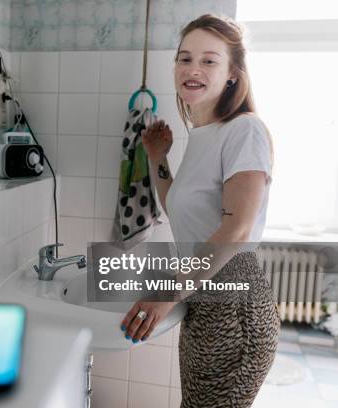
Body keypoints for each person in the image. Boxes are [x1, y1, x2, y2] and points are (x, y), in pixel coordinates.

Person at [120, 14, 280, 408]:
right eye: (184, 58)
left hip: (232, 301)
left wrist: (168, 293)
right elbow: (183, 214)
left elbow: (237, 229)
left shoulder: (244, 130)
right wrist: (158, 158)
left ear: (232, 74)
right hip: (205, 291)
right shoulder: (203, 135)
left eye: (209, 60)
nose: (192, 69)